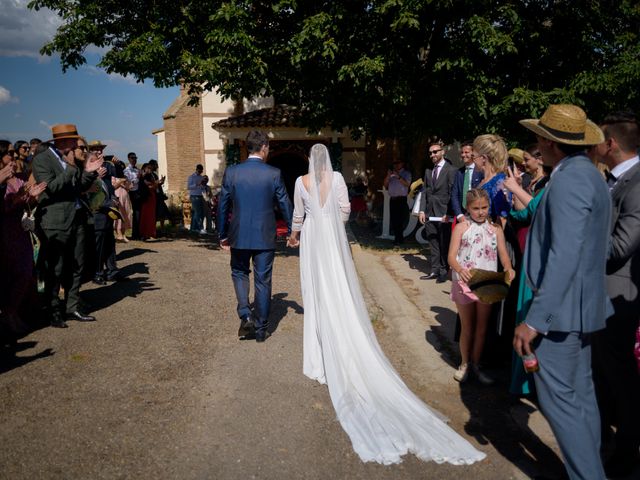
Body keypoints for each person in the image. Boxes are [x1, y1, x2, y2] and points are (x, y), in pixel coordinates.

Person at [286, 143, 486, 465]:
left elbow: (298, 214)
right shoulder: (337, 177)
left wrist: (296, 235)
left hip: (312, 236)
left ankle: (323, 337)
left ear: (310, 161)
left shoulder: (300, 182)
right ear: (327, 161)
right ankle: (342, 321)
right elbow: (345, 210)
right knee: (337, 283)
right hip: (331, 236)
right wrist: (335, 229)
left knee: (316, 285)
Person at [513, 104, 612, 480]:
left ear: (549, 142)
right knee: (581, 400)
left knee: (564, 406)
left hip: (561, 315)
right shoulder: (587, 174)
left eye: (541, 136)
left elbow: (565, 255)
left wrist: (536, 320)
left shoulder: (571, 179)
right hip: (581, 309)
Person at [591, 111, 640, 478]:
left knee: (621, 381)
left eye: (599, 137)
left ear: (611, 144)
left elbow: (621, 245)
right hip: (601, 294)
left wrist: (579, 237)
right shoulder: (612, 179)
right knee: (604, 375)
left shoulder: (637, 184)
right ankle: (605, 443)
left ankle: (625, 455)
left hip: (619, 295)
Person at [217, 130, 292, 343]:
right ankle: (261, 331)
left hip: (238, 234)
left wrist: (222, 234)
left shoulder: (232, 172)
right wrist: (292, 230)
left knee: (239, 272)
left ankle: (245, 313)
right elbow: (285, 203)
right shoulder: (274, 173)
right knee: (263, 280)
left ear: (248, 147)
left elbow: (223, 205)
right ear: (264, 147)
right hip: (265, 236)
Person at [32, 124, 103, 327]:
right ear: (62, 142)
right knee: (55, 268)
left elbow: (78, 187)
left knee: (76, 265)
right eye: (73, 141)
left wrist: (88, 172)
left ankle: (72, 307)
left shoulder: (70, 160)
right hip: (55, 222)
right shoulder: (42, 160)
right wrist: (71, 168)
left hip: (77, 218)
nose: (76, 145)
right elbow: (51, 188)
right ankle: (53, 310)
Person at [447, 188, 515, 385]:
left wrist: (509, 268)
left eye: (484, 207)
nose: (481, 212)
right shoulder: (461, 228)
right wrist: (460, 268)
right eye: (476, 208)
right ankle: (465, 363)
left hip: (487, 282)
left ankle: (476, 364)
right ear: (468, 208)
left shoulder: (495, 230)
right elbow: (451, 256)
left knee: (482, 328)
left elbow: (503, 255)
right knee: (467, 327)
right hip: (465, 282)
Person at [503, 165, 546, 397]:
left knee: (533, 323)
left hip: (544, 267)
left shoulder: (555, 186)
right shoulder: (544, 186)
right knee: (525, 322)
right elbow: (524, 213)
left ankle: (537, 384)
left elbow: (537, 208)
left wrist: (516, 190)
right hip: (531, 259)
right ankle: (525, 382)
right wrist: (516, 189)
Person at [418, 142, 456, 283]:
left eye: (435, 152)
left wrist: (450, 213)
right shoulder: (429, 171)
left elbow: (453, 193)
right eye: (430, 153)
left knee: (444, 242)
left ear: (443, 152)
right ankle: (434, 270)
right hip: (429, 212)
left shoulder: (451, 170)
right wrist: (422, 210)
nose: (432, 155)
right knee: (433, 241)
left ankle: (443, 271)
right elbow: (425, 191)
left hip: (444, 213)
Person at [472, 135, 511, 226]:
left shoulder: (500, 181)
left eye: (474, 157)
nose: (472, 160)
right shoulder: (482, 180)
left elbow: (502, 217)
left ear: (484, 158)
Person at [451, 142, 484, 223]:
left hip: (478, 214)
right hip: (463, 216)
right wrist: (459, 214)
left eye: (466, 152)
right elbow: (454, 194)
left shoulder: (480, 171)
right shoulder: (459, 172)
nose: (463, 155)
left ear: (473, 153)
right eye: (462, 152)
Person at [383, 159, 411, 245]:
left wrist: (398, 176)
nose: (396, 165)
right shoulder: (391, 174)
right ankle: (396, 239)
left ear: (402, 163)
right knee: (394, 220)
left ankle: (400, 239)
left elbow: (407, 184)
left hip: (401, 199)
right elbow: (385, 185)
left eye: (398, 163)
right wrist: (388, 176)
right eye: (394, 163)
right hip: (393, 199)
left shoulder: (406, 173)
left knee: (400, 219)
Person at [124, 152, 141, 240]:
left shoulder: (137, 169)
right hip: (131, 192)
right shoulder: (127, 170)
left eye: (135, 158)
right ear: (129, 159)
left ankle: (137, 233)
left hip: (138, 192)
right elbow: (128, 183)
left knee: (138, 213)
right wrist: (137, 178)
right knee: (133, 212)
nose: (134, 159)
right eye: (132, 158)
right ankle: (134, 234)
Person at [138, 163, 157, 240]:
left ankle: (150, 232)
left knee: (151, 215)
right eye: (148, 168)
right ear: (144, 168)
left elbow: (154, 186)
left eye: (150, 168)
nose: (149, 169)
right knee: (145, 215)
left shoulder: (151, 176)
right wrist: (154, 184)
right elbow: (147, 184)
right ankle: (144, 233)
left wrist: (155, 184)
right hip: (145, 197)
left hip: (151, 196)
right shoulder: (142, 176)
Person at [187, 164, 206, 233]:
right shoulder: (191, 177)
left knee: (196, 213)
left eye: (201, 171)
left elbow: (202, 188)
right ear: (197, 169)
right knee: (198, 212)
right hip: (194, 196)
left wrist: (203, 186)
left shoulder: (201, 177)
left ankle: (193, 228)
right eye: (199, 171)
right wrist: (197, 184)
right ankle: (201, 228)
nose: (200, 172)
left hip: (200, 195)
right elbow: (188, 187)